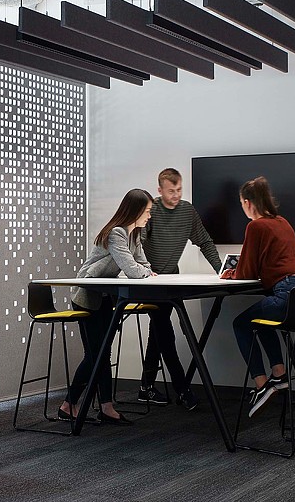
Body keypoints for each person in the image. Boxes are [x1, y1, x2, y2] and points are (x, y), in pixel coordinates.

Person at [221, 176, 295, 417]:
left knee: (241, 324)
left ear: (247, 203)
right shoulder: (282, 222)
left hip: (288, 293)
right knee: (262, 319)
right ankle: (279, 376)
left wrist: (231, 274)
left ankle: (262, 385)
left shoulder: (255, 226)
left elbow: (247, 271)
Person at [58, 188, 156, 426]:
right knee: (96, 355)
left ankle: (106, 406)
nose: (149, 216)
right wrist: (144, 272)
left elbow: (143, 264)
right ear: (135, 210)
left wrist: (144, 271)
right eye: (147, 211)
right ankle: (69, 405)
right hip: (87, 296)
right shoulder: (116, 234)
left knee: (102, 354)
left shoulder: (134, 234)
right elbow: (134, 271)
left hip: (103, 297)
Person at [138, 168, 221, 410]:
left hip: (171, 279)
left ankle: (146, 387)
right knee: (166, 331)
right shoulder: (150, 210)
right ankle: (182, 389)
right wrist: (143, 271)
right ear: (160, 190)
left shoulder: (187, 211)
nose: (175, 195)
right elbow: (138, 242)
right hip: (150, 281)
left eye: (179, 190)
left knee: (159, 330)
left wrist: (221, 270)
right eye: (171, 191)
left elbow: (204, 241)